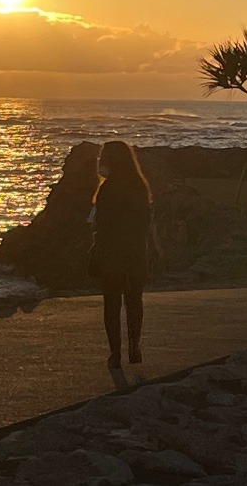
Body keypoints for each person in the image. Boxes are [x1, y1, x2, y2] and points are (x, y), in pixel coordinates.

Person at [89, 140, 153, 368]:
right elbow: (146, 221)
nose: (100, 161)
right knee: (135, 300)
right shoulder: (139, 185)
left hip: (112, 252)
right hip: (135, 250)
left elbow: (102, 224)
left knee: (112, 303)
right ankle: (134, 345)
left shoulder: (107, 188)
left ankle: (115, 352)